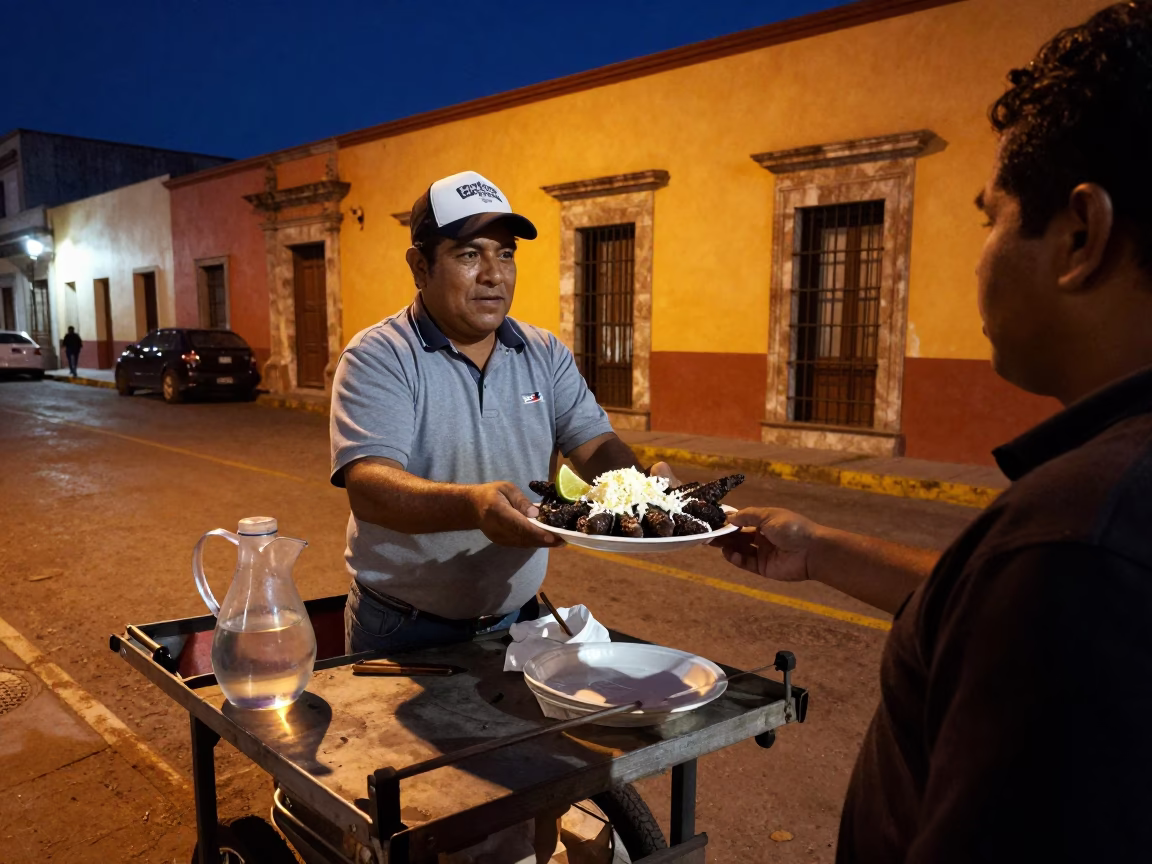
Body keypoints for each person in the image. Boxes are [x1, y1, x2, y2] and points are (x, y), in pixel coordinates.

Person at [715, 4, 1152, 861]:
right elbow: (983, 600)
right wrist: (820, 548)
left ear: (1079, 235)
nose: (978, 255)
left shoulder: (1075, 546)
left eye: (990, 217)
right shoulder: (1078, 528)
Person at [330, 170, 659, 655]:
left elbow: (595, 446)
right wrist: (473, 507)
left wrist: (643, 486)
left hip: (519, 619)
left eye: (505, 254)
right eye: (470, 255)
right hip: (404, 628)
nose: (495, 274)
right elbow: (371, 489)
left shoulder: (543, 352)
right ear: (420, 267)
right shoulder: (380, 356)